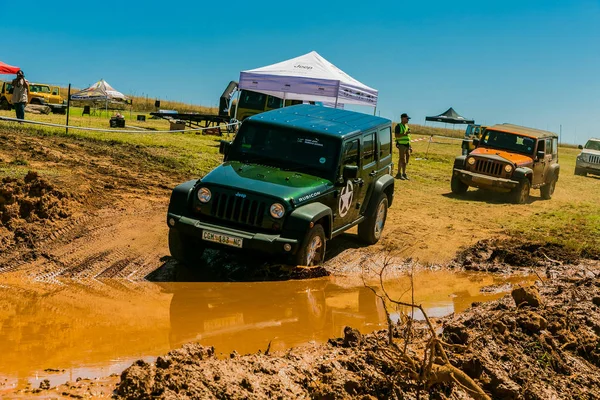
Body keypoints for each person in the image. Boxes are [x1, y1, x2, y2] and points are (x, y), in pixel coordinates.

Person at [394, 113, 412, 180]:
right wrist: (405, 134)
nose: (408, 120)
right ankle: (399, 173)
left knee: (406, 159)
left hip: (407, 145)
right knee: (402, 159)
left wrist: (410, 146)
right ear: (403, 118)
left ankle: (404, 173)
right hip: (401, 144)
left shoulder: (407, 126)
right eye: (407, 118)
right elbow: (396, 135)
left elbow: (409, 137)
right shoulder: (398, 126)